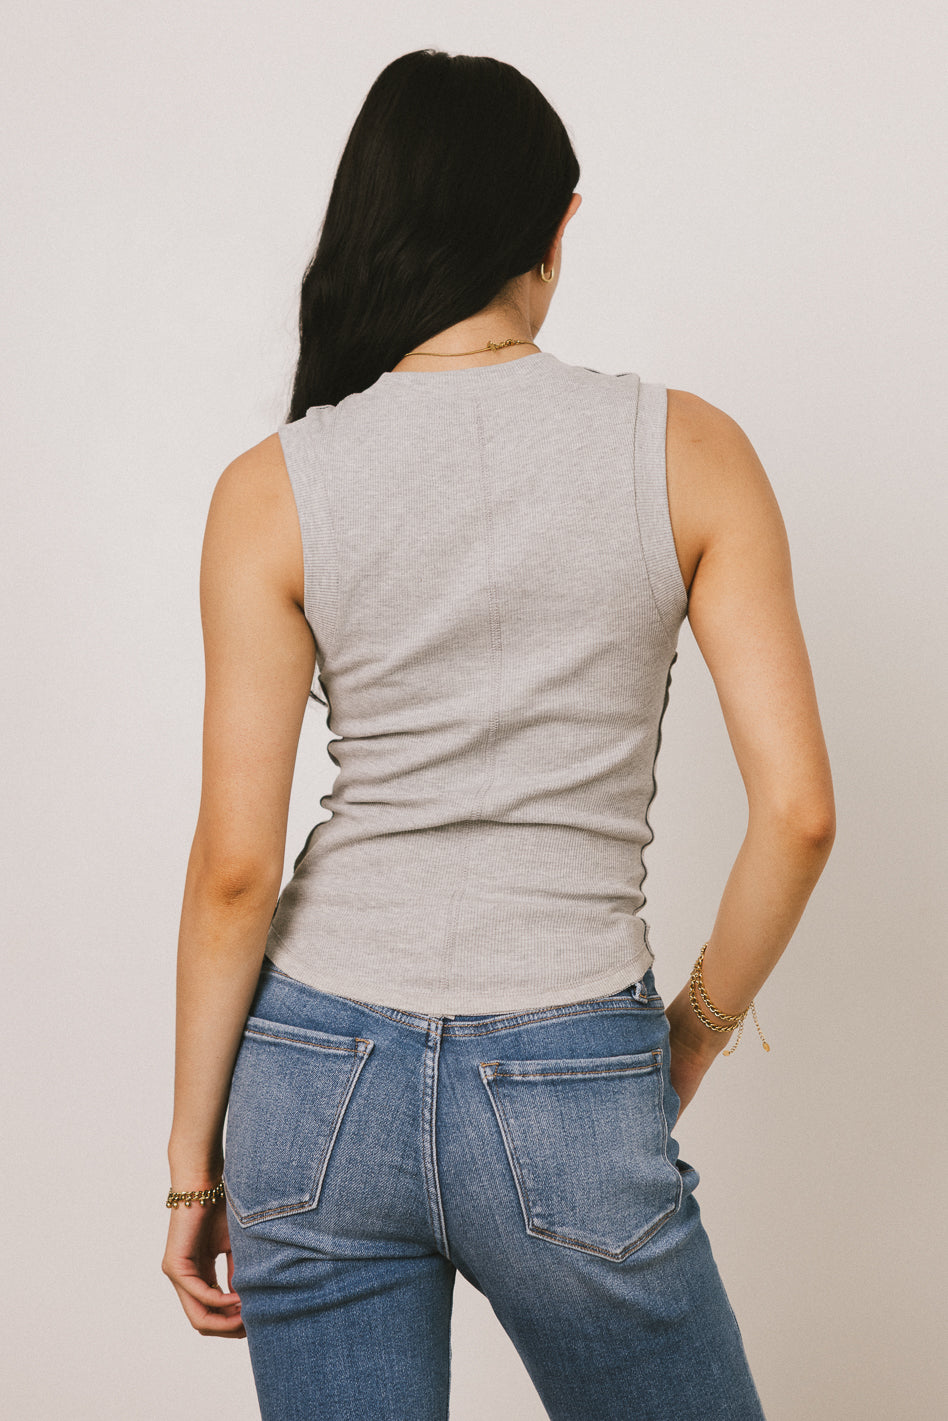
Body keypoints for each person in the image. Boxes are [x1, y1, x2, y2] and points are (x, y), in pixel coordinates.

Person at [161, 48, 835, 1421]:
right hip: (570, 1064)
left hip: (312, 1080)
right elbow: (800, 814)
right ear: (553, 229)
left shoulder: (271, 489)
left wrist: (191, 1167)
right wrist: (690, 1036)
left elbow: (236, 869)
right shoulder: (690, 453)